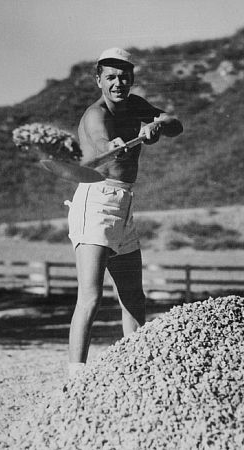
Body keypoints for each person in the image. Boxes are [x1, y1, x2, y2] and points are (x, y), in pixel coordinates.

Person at [67, 47, 183, 376]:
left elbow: (176, 124)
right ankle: (75, 377)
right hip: (96, 201)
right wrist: (115, 146)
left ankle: (135, 370)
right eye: (111, 77)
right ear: (98, 80)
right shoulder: (96, 114)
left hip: (124, 203)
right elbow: (105, 146)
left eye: (124, 77)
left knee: (133, 295)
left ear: (131, 78)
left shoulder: (136, 105)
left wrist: (158, 125)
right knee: (90, 295)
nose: (118, 83)